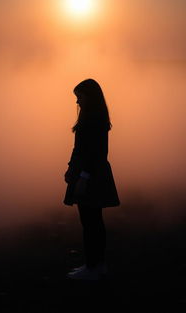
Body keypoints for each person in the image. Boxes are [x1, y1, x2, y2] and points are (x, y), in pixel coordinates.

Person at [63, 78, 120, 280]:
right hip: (89, 173)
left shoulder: (93, 120)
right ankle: (96, 265)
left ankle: (93, 267)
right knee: (93, 222)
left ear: (89, 97)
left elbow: (96, 152)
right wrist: (71, 168)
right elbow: (79, 149)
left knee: (90, 222)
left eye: (79, 97)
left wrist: (83, 177)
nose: (77, 102)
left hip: (91, 175)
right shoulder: (93, 117)